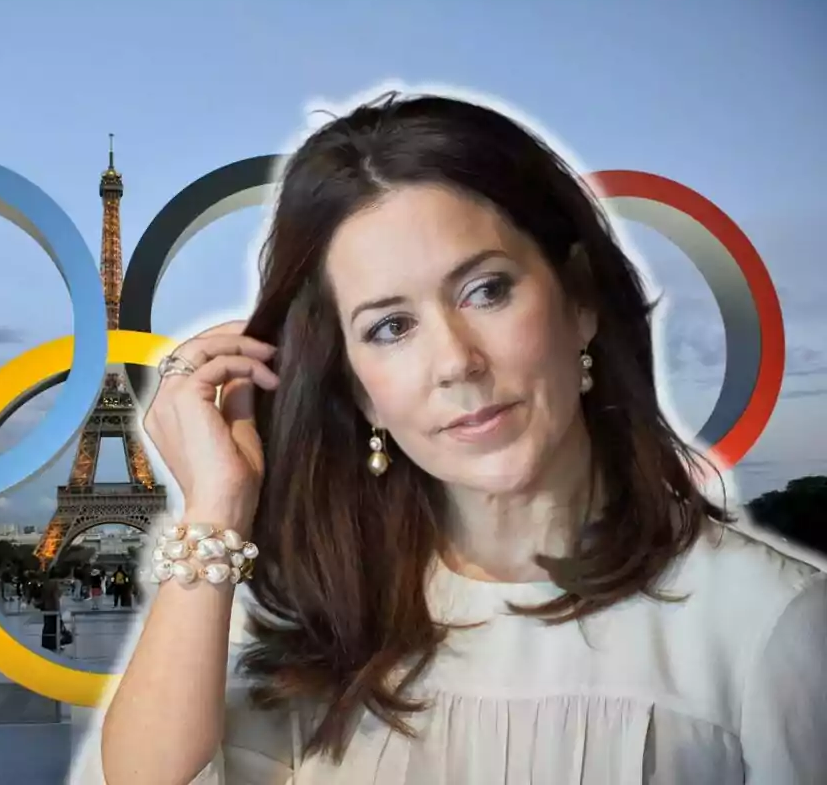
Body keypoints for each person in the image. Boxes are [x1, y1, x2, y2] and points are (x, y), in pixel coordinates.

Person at [79, 92, 827, 784]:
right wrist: (215, 509)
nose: (457, 362)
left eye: (487, 290)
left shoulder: (768, 627)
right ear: (357, 388)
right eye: (391, 327)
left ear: (580, 303)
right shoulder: (295, 612)